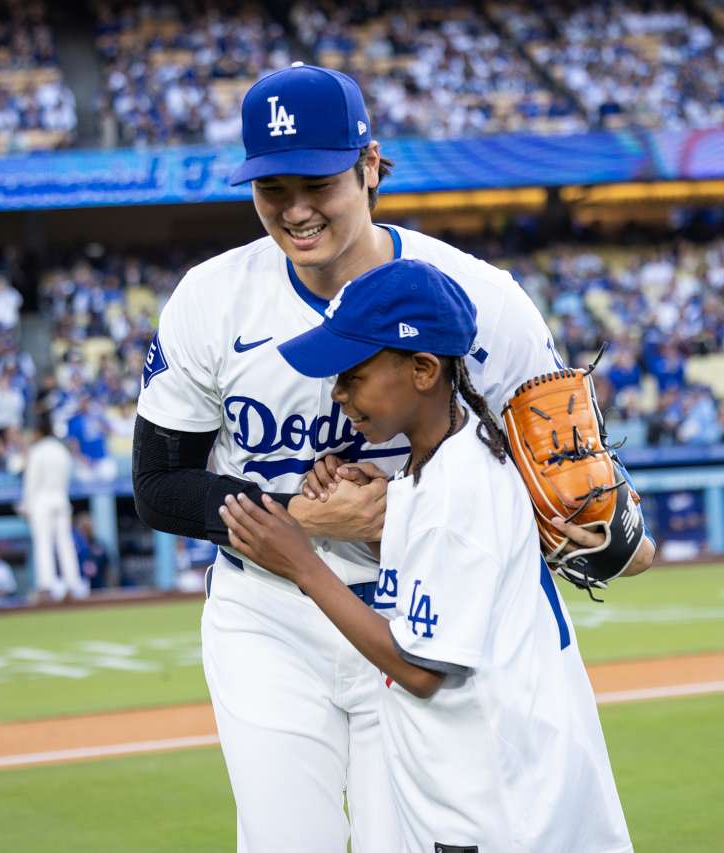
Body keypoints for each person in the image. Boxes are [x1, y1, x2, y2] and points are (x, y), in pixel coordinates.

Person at [131, 64, 654, 852]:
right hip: (267, 614)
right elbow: (158, 485)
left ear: (371, 166)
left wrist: (407, 518)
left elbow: (575, 494)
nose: (297, 208)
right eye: (272, 186)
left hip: (415, 608)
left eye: (319, 180)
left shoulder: (482, 299)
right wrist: (298, 520)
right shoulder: (212, 299)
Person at [220, 259, 635, 851]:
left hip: (498, 810)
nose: (338, 394)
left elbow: (419, 668)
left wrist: (303, 566)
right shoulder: (434, 469)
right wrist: (377, 528)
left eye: (352, 375)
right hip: (484, 794)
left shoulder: (456, 490)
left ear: (421, 369)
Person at [19, 422, 86, 602]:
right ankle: (72, 584)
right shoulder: (62, 451)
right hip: (61, 498)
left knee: (43, 543)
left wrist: (26, 505)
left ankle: (46, 586)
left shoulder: (37, 451)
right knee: (65, 543)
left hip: (42, 500)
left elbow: (31, 481)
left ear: (39, 433)